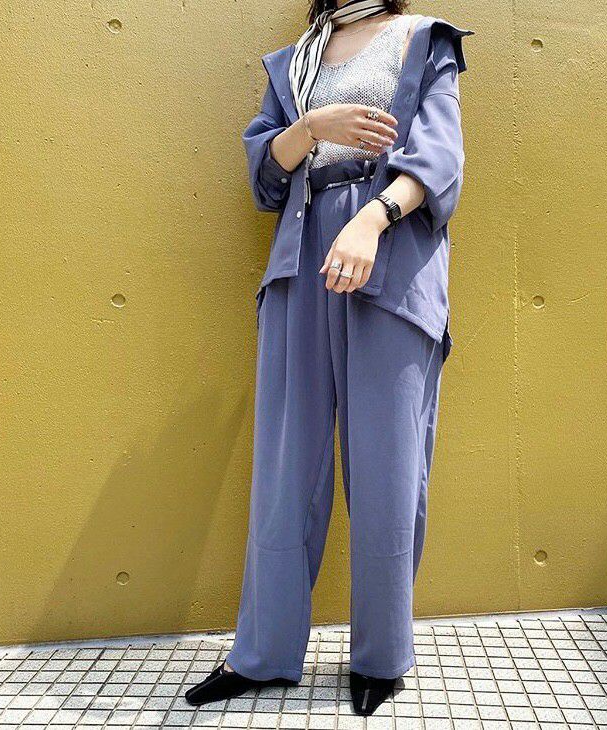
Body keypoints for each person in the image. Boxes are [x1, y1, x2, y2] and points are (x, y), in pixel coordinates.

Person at [186, 0, 474, 716]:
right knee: (287, 464)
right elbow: (265, 174)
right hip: (301, 257)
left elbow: (441, 156)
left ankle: (381, 657)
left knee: (388, 464)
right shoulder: (296, 59)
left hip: (390, 255)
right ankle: (263, 655)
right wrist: (312, 127)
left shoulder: (423, 39)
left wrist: (372, 219)